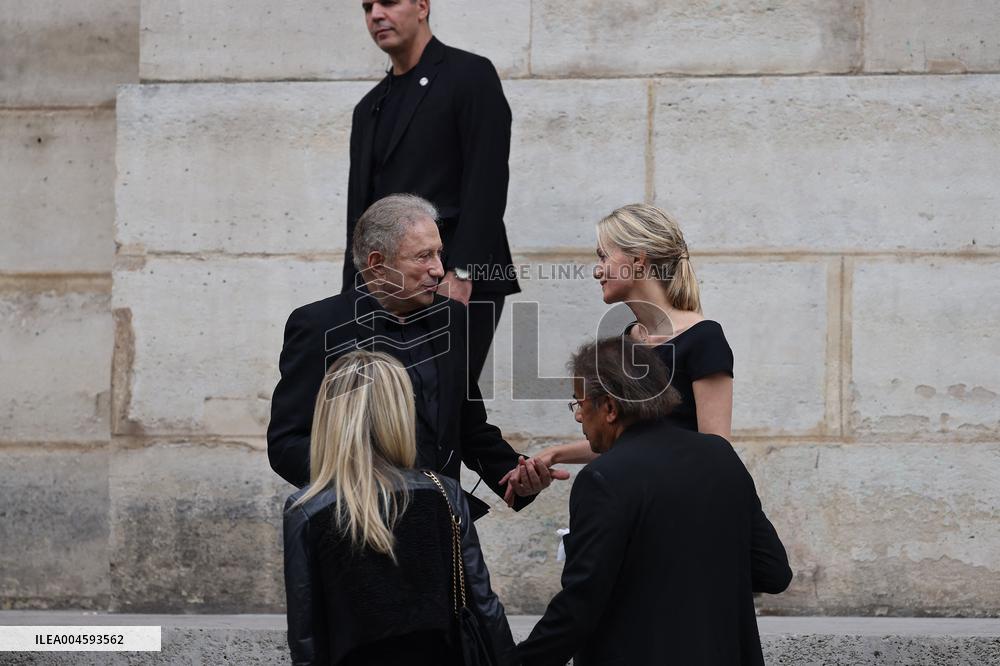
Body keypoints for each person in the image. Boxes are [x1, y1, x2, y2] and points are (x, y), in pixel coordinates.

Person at [268, 194, 564, 518]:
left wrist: (514, 476)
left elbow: (468, 427)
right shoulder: (319, 326)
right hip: (363, 524)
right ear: (378, 264)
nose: (438, 269)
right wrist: (365, 489)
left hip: (442, 520)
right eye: (423, 256)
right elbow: (287, 443)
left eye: (439, 253)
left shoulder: (451, 317)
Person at [517, 338, 792, 666]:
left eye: (580, 403)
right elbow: (773, 572)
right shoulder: (720, 456)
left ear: (609, 408)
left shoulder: (603, 478)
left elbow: (579, 606)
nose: (578, 416)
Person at [283, 350, 517, 665]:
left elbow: (306, 638)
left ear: (329, 417)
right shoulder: (443, 492)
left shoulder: (307, 510)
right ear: (400, 413)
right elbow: (484, 605)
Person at [503, 203, 733, 499]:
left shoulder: (703, 337)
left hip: (683, 502)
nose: (597, 271)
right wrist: (553, 455)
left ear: (637, 260)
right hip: (645, 500)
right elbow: (627, 442)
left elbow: (717, 452)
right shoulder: (627, 343)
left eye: (603, 256)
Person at [344, 0, 520, 382]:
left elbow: (487, 180)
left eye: (389, 2)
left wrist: (462, 272)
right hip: (388, 287)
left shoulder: (470, 76)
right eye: (367, 7)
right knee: (391, 406)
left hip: (455, 278)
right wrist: (351, 296)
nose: (376, 15)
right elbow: (359, 215)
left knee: (445, 403)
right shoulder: (368, 107)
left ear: (422, 6)